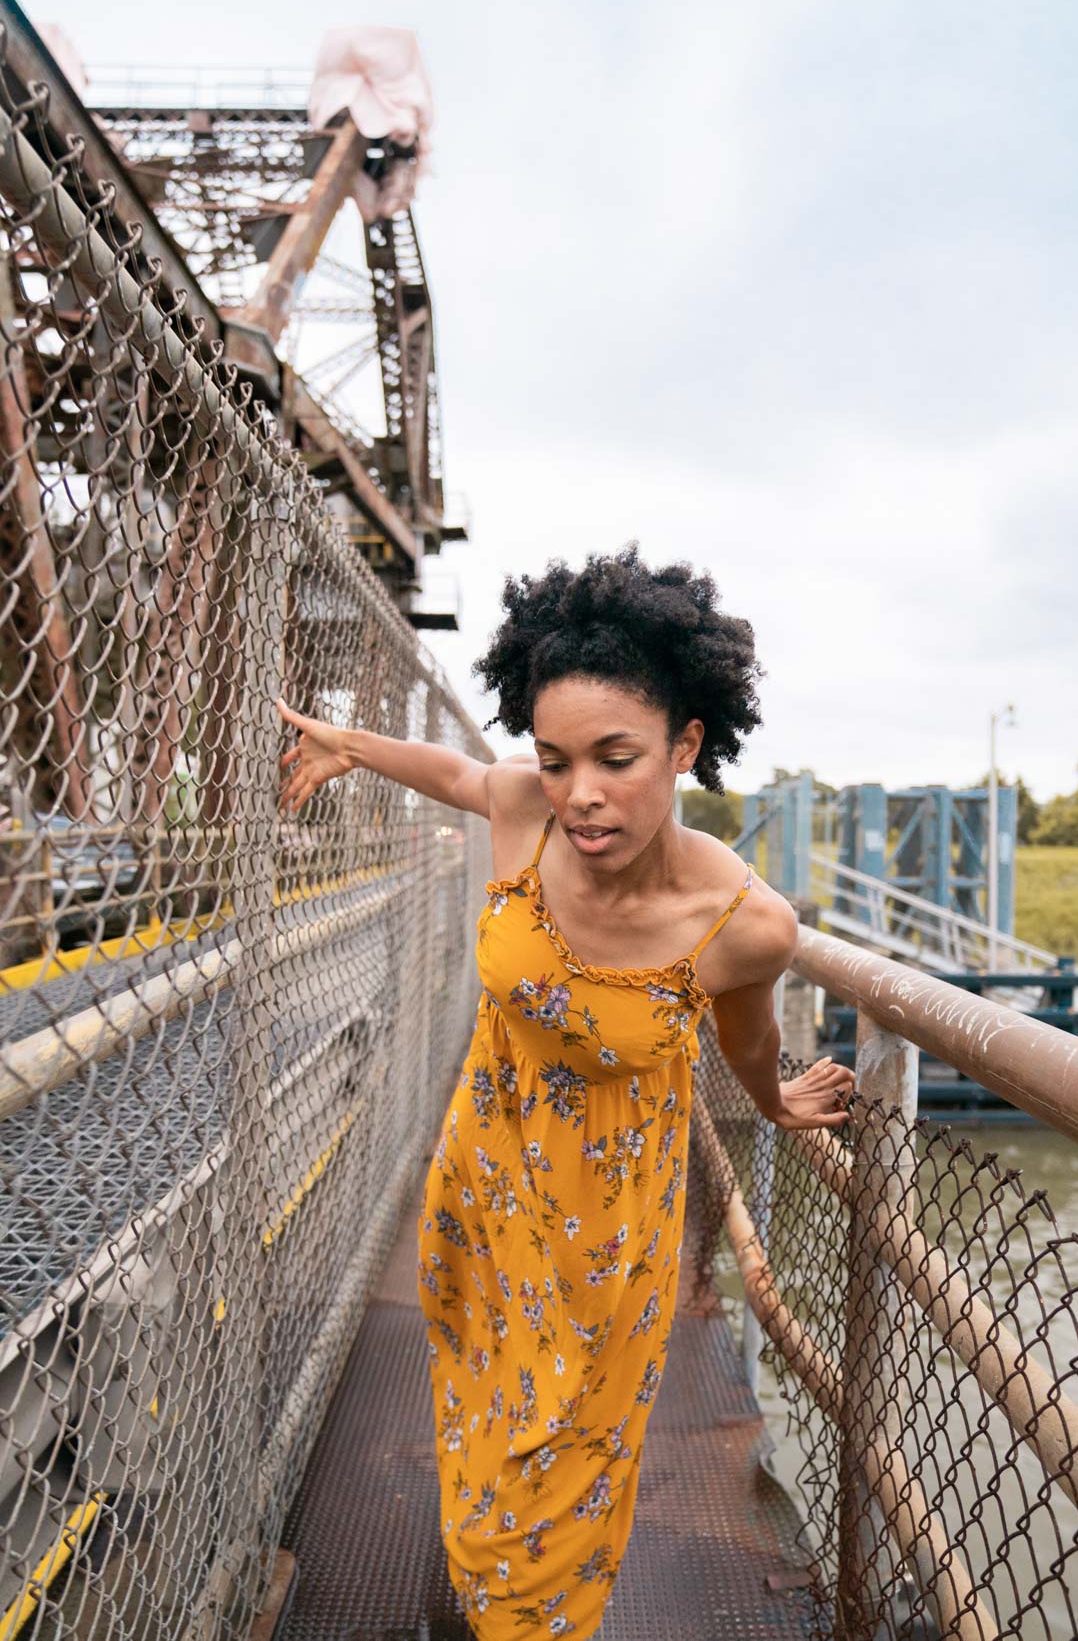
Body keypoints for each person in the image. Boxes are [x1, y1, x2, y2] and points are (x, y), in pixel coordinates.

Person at [276, 544, 853, 1640]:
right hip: (483, 1174)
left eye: (615, 756)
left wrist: (775, 1103)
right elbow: (455, 776)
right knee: (486, 1415)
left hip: (606, 1232)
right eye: (554, 758)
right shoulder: (525, 811)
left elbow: (746, 1041)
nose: (580, 792)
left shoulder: (744, 926)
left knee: (564, 1465)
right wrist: (350, 743)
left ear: (685, 742)